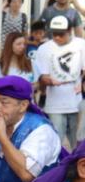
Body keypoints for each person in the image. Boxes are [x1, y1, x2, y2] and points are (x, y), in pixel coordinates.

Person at [35, 15, 85, 149]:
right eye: (54, 34)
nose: (57, 37)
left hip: (76, 101)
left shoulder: (81, 44)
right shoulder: (44, 48)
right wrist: (49, 80)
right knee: (56, 142)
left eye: (61, 34)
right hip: (55, 103)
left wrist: (83, 84)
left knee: (79, 142)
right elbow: (42, 76)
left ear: (70, 31)